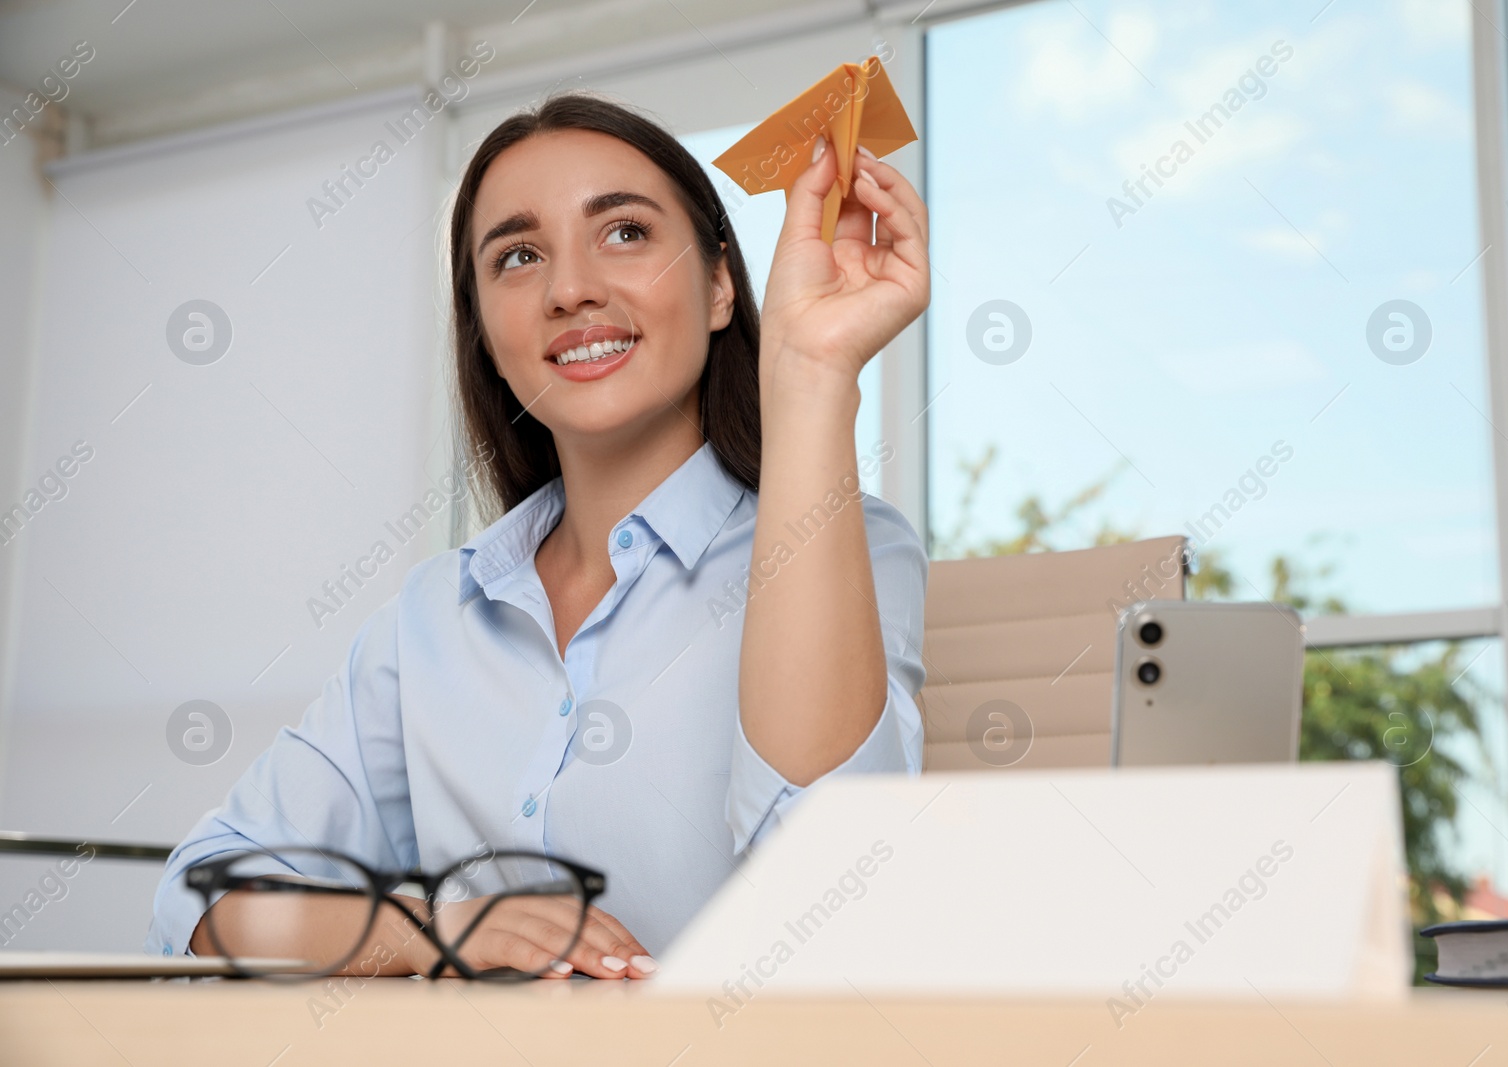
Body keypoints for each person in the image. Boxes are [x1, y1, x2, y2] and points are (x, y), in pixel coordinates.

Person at [144, 90, 932, 980]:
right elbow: (200, 899)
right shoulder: (433, 618)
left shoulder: (848, 548)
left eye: (625, 232)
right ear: (483, 328)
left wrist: (814, 370)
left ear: (719, 283)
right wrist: (434, 929)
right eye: (517, 256)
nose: (570, 290)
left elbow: (831, 891)